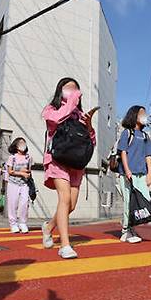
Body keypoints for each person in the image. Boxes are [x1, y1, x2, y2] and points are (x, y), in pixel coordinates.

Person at [41, 77, 96, 259]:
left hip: (76, 164)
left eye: (75, 90)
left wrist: (88, 125)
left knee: (70, 205)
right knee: (64, 198)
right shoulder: (51, 110)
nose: (73, 92)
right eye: (68, 89)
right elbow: (56, 120)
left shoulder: (79, 115)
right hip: (57, 159)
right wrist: (71, 103)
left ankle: (49, 227)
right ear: (60, 91)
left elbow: (91, 141)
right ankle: (65, 245)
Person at [117, 105, 151, 244]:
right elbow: (123, 152)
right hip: (127, 173)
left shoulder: (145, 136)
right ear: (134, 115)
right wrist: (127, 170)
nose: (144, 116)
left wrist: (150, 174)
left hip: (142, 174)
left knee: (145, 199)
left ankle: (130, 226)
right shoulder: (127, 133)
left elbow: (148, 156)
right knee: (129, 202)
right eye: (142, 113)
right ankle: (126, 231)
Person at [6, 137, 33, 234]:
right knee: (12, 204)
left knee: (25, 203)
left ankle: (23, 223)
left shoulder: (28, 157)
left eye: (24, 142)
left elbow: (29, 169)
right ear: (16, 146)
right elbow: (10, 171)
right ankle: (13, 224)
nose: (23, 144)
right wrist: (21, 173)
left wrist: (27, 173)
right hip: (13, 183)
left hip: (24, 183)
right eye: (21, 143)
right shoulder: (12, 157)